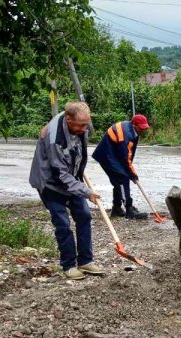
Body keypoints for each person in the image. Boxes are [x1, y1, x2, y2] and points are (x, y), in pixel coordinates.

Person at [29, 101, 105, 281]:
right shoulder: (55, 139)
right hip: (50, 183)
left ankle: (85, 261)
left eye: (87, 124)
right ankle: (69, 265)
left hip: (71, 180)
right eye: (81, 125)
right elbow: (60, 175)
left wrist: (77, 173)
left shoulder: (76, 124)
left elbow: (76, 153)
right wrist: (86, 192)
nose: (85, 129)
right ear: (68, 120)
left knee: (84, 216)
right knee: (63, 224)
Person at [91, 115, 150, 220]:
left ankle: (117, 209)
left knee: (118, 181)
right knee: (123, 178)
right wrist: (132, 174)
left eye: (144, 128)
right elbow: (125, 158)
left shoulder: (132, 131)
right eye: (141, 128)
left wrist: (131, 173)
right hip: (106, 155)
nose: (143, 130)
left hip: (113, 153)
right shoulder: (126, 136)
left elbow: (129, 155)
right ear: (134, 124)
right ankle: (129, 210)